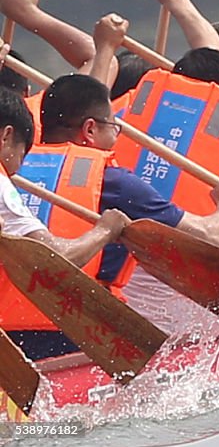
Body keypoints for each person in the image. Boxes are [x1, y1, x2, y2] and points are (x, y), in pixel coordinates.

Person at [38, 74, 219, 332]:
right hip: (82, 326)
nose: (117, 137)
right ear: (91, 130)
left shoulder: (15, 172)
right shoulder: (114, 182)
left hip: (21, 323)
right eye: (113, 126)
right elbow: (212, 237)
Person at [0, 87, 130, 359]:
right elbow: (54, 258)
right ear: (6, 136)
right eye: (21, 155)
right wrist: (105, 230)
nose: (17, 170)